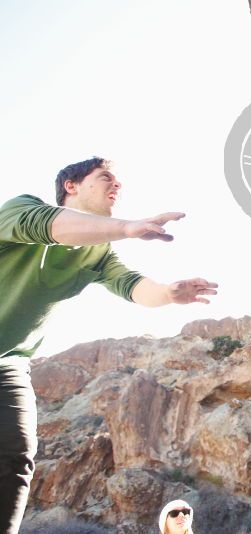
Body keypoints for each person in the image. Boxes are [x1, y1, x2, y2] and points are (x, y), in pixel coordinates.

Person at [0, 158, 218, 534]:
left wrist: (168, 292)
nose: (116, 186)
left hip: (10, 364)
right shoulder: (23, 208)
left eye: (119, 182)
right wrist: (128, 228)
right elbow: (53, 228)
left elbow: (133, 286)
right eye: (106, 178)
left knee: (15, 456)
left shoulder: (99, 255)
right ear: (71, 185)